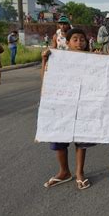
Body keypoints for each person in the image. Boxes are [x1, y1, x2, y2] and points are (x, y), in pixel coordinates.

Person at [41, 28, 94, 190]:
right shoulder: (58, 59)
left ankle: (79, 172)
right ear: (68, 42)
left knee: (81, 139)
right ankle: (64, 171)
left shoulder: (93, 60)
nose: (79, 43)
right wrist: (44, 60)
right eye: (75, 39)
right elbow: (46, 80)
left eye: (82, 40)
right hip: (62, 104)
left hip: (82, 103)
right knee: (59, 137)